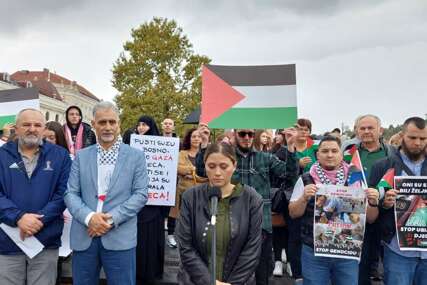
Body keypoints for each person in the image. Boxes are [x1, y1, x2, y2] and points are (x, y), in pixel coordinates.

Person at [196, 128, 299, 285]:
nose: (247, 137)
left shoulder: (265, 158)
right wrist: (204, 142)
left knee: (261, 274)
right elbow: (202, 171)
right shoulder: (225, 159)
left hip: (261, 225)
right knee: (228, 274)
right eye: (242, 134)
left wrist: (291, 147)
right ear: (235, 134)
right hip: (230, 224)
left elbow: (290, 176)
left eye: (250, 134)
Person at [64, 102, 148, 285]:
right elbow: (70, 193)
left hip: (120, 237)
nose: (108, 127)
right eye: (102, 122)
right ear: (93, 124)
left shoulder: (136, 156)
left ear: (119, 124)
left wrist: (109, 220)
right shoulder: (81, 156)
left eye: (112, 122)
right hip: (85, 235)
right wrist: (90, 218)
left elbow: (141, 194)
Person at [288, 136, 379, 285]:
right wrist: (304, 198)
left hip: (347, 252)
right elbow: (293, 213)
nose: (329, 155)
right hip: (314, 252)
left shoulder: (355, 177)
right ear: (318, 155)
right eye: (325, 151)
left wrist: (374, 203)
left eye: (334, 151)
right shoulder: (306, 178)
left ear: (341, 154)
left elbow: (371, 218)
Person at [0, 108, 71, 285]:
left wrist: (38, 220)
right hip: (7, 241)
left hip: (45, 240)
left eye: (37, 125)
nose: (32, 128)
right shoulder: (1, 155)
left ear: (44, 128)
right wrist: (18, 218)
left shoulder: (60, 156)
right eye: (26, 124)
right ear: (16, 128)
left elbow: (64, 193)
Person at [176, 142, 263, 284]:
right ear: (204, 165)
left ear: (234, 166)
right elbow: (185, 246)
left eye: (224, 167)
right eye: (211, 166)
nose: (217, 173)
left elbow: (252, 249)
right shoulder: (190, 197)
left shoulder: (252, 199)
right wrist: (210, 282)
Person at [369, 117, 427, 285]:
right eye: (412, 138)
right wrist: (384, 203)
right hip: (398, 250)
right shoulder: (382, 166)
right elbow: (372, 209)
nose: (418, 143)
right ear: (402, 135)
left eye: (423, 138)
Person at [345, 114, 395, 284]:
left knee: (390, 266)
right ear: (357, 131)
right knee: (360, 266)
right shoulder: (348, 154)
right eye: (362, 128)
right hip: (358, 217)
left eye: (370, 128)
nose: (366, 131)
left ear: (380, 130)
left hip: (388, 215)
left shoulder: (393, 154)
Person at [124, 115, 168, 284]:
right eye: (139, 124)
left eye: (145, 125)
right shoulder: (129, 145)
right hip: (135, 203)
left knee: (151, 241)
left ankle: (151, 273)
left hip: (154, 204)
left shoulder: (161, 146)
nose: (141, 127)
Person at [168, 128, 207, 248]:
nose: (196, 139)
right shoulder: (182, 153)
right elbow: (177, 168)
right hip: (183, 191)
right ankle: (171, 236)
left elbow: (206, 174)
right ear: (189, 139)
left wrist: (191, 173)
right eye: (193, 136)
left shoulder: (206, 154)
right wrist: (195, 170)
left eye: (198, 137)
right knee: (176, 215)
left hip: (201, 192)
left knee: (198, 217)